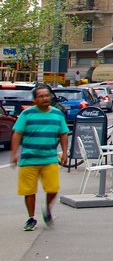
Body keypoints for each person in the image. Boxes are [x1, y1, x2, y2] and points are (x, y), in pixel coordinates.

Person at [10, 86, 69, 231]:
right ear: (35, 100)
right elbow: (17, 133)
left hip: (49, 158)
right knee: (29, 191)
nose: (45, 98)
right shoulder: (27, 114)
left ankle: (47, 208)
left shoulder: (57, 114)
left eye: (47, 96)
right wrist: (14, 153)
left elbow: (63, 134)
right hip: (29, 159)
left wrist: (65, 153)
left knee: (53, 188)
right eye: (41, 96)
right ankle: (31, 218)